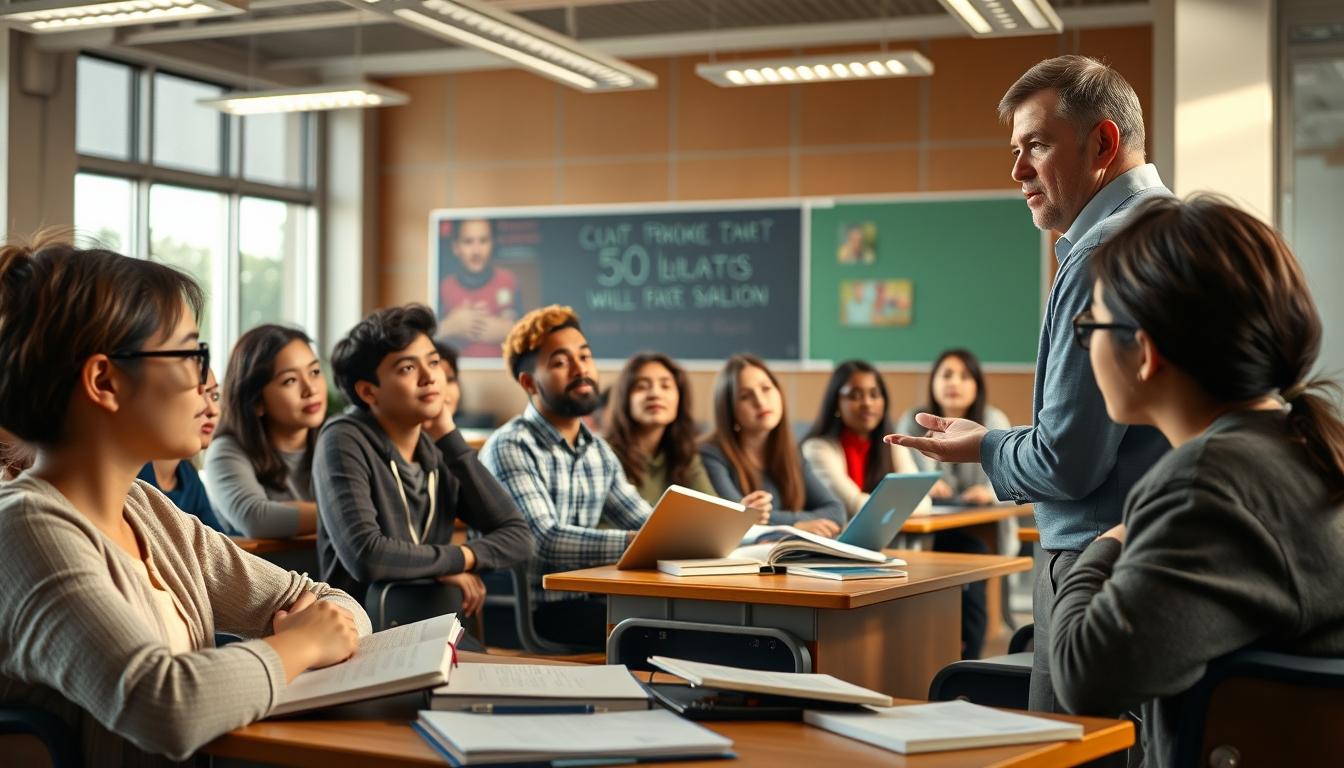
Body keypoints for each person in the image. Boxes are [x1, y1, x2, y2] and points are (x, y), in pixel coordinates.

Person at [0, 237, 368, 766]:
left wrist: (317, 630)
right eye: (191, 354)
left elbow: (331, 601)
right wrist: (301, 645)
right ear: (105, 380)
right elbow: (166, 705)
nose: (207, 384)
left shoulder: (147, 510)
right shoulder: (26, 527)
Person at [885, 55, 1172, 712]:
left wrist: (986, 446)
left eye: (1035, 145)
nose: (1016, 172)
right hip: (1158, 552)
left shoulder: (1102, 255)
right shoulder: (1187, 228)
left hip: (1098, 566)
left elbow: (1068, 461)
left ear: (1102, 143)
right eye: (1015, 150)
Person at [1049, 196, 1344, 766]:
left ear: (1146, 352)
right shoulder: (1306, 447)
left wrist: (1105, 544)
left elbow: (1085, 678)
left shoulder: (1205, 484)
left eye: (1092, 325)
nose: (1086, 345)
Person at [314, 304, 531, 616]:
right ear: (368, 392)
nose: (431, 377)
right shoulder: (342, 439)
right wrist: (449, 562)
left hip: (436, 626)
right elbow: (368, 555)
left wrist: (448, 436)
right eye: (407, 368)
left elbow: (517, 536)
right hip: (363, 631)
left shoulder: (438, 446)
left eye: (434, 362)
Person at [478, 305, 651, 649]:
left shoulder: (597, 450)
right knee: (659, 634)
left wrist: (678, 534)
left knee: (685, 620)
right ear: (529, 383)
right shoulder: (510, 445)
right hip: (528, 614)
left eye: (584, 357)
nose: (580, 369)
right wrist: (643, 544)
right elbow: (544, 541)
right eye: (560, 362)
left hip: (587, 603)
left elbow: (648, 521)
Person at [802, 359, 988, 659]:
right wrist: (898, 501)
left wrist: (895, 501)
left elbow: (922, 500)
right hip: (847, 551)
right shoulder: (819, 448)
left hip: (896, 542)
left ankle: (969, 658)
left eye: (875, 394)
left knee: (973, 551)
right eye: (854, 394)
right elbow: (855, 505)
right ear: (836, 401)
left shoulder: (891, 444)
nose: (867, 403)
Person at [700, 354, 846, 536]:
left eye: (766, 389)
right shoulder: (710, 454)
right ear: (729, 410)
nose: (760, 402)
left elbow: (836, 511)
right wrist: (794, 527)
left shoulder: (792, 452)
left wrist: (781, 524)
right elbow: (738, 517)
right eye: (746, 396)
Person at [205, 325, 326, 538]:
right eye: (290, 380)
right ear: (256, 401)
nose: (311, 389)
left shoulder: (334, 441)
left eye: (314, 372)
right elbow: (257, 519)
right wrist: (348, 515)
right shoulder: (225, 452)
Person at [895, 349, 1019, 552]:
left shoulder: (993, 420)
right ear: (932, 382)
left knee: (977, 549)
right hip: (928, 525)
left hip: (982, 524)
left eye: (965, 377)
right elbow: (905, 476)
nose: (954, 383)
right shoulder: (914, 421)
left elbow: (1013, 478)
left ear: (977, 385)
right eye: (946, 375)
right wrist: (926, 485)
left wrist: (989, 492)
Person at [604, 352, 718, 505]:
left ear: (680, 398)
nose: (655, 394)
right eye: (641, 386)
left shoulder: (684, 454)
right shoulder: (604, 454)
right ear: (624, 399)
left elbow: (713, 508)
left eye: (665, 386)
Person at [136, 367, 227, 532]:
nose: (212, 410)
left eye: (214, 396)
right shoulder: (134, 476)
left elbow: (217, 538)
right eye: (198, 395)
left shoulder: (187, 475)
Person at [437, 218, 519, 358]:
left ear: (493, 243)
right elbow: (428, 338)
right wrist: (450, 326)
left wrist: (510, 331)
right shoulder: (444, 287)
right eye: (468, 242)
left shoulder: (508, 281)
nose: (476, 251)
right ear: (456, 247)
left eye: (483, 241)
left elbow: (526, 331)